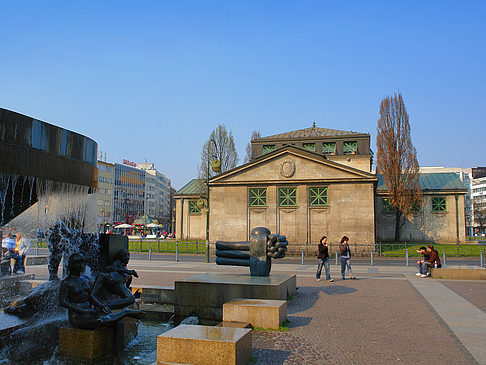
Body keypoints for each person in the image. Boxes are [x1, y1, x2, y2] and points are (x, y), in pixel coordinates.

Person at [59, 253, 144, 330]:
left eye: (82, 262)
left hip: (89, 312)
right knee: (103, 320)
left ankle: (115, 346)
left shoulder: (84, 280)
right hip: (78, 317)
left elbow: (90, 296)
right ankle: (126, 312)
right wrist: (81, 310)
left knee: (114, 321)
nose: (81, 265)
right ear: (71, 265)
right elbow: (63, 302)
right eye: (78, 263)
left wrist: (100, 305)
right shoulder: (67, 282)